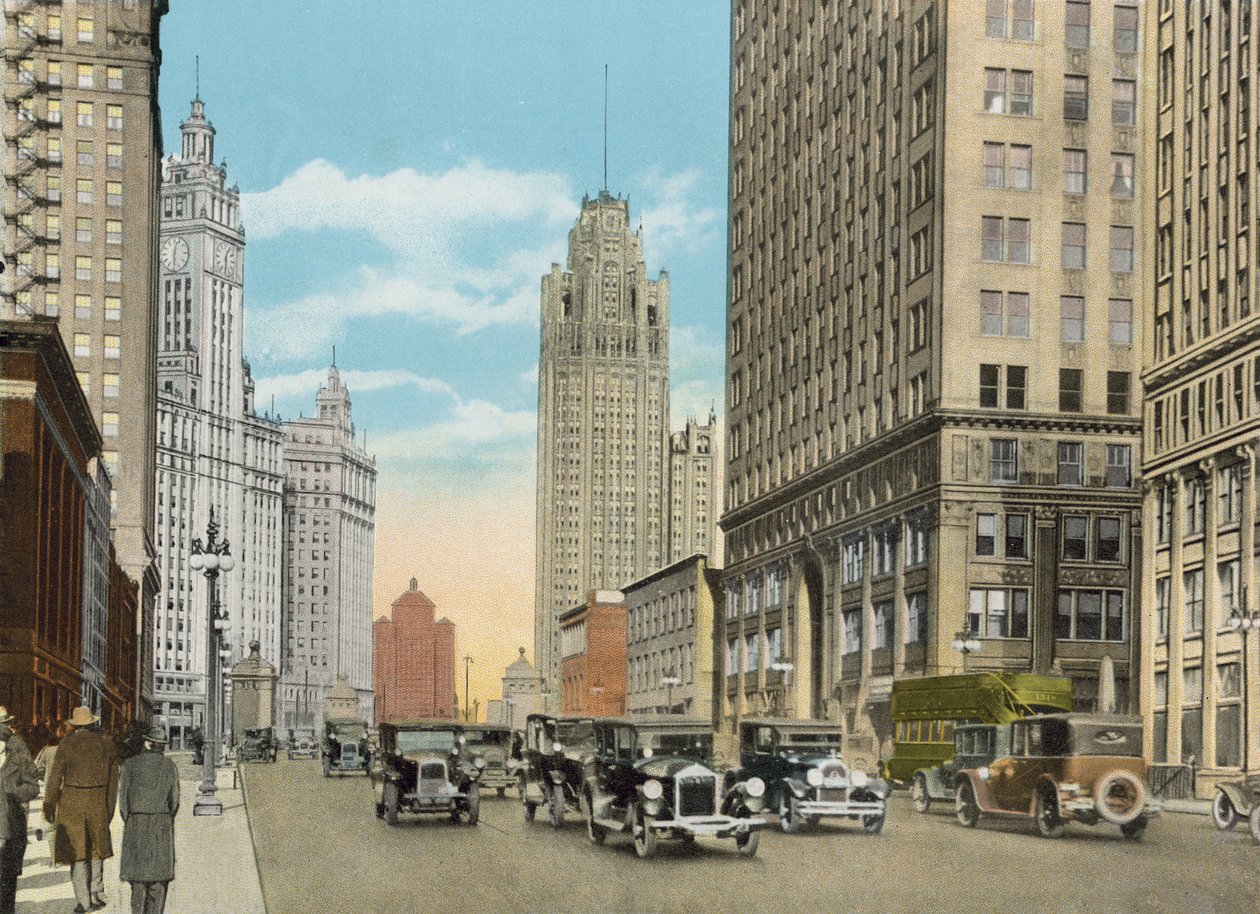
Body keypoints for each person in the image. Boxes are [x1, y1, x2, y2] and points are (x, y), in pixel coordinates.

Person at [43, 706, 120, 914]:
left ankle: (83, 902)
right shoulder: (107, 745)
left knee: (77, 851)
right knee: (96, 848)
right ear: (93, 724)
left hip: (72, 802)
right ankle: (96, 893)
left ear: (74, 725)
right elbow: (114, 783)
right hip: (97, 801)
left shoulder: (66, 744)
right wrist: (109, 809)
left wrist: (49, 804)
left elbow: (55, 778)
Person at [118, 727, 179, 914]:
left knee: (138, 880)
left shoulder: (130, 765)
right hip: (161, 823)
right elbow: (174, 802)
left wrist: (132, 819)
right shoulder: (170, 766)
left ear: (146, 743)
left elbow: (123, 804)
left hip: (136, 824)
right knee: (159, 880)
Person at [0, 707, 39, 914]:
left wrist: (13, 792)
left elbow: (33, 786)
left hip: (11, 826)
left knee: (6, 886)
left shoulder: (18, 746)